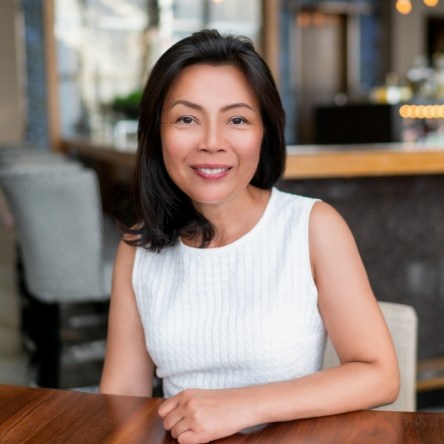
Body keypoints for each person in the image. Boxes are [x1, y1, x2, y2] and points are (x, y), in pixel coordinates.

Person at [100, 29, 399, 443]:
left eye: (236, 119)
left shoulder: (312, 227)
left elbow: (379, 376)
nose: (211, 143)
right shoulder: (140, 248)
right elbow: (122, 401)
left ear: (265, 131)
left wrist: (242, 405)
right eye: (187, 119)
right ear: (157, 133)